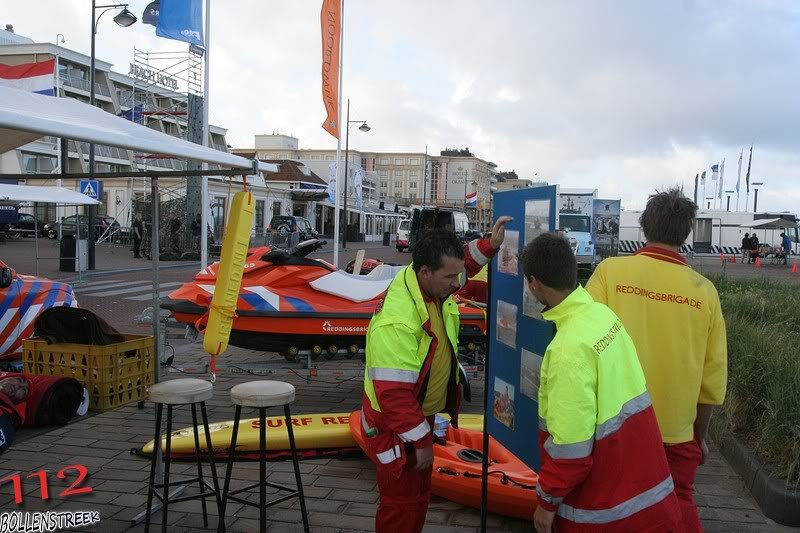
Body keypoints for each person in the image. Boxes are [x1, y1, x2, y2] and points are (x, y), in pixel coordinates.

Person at [586, 188, 727, 533]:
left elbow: (583, 345)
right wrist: (698, 437)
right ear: (686, 232)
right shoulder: (704, 291)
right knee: (677, 506)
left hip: (613, 425)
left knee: (610, 508)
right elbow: (710, 384)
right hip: (676, 432)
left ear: (645, 227)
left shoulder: (609, 273)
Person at [360, 216, 512, 533]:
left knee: (417, 499)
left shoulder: (430, 284)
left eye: (458, 275)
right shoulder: (398, 321)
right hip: (395, 428)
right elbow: (394, 395)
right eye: (450, 277)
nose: (459, 283)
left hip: (417, 418)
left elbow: (462, 264)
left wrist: (490, 245)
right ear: (426, 272)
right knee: (401, 507)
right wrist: (422, 440)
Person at [522, 233, 680, 533]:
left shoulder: (567, 349)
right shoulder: (602, 315)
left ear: (535, 283)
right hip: (647, 493)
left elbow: (572, 451)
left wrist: (546, 502)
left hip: (606, 511)